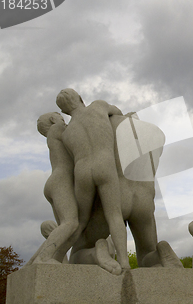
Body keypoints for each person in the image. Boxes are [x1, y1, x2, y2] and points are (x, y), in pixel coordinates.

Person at [68, 113, 182, 273]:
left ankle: (97, 251)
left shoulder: (112, 126)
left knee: (78, 252)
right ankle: (160, 252)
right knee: (146, 255)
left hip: (117, 194)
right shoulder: (155, 134)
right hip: (144, 200)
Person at [56, 88, 130, 273]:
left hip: (82, 171)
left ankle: (58, 255)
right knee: (114, 215)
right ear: (80, 98)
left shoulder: (66, 133)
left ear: (64, 112)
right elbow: (118, 114)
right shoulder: (98, 106)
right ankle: (124, 262)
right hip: (104, 164)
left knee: (79, 222)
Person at [25, 112, 79, 266]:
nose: (64, 119)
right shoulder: (58, 130)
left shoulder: (53, 137)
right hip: (61, 181)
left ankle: (36, 261)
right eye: (60, 117)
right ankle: (44, 258)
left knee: (64, 230)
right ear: (54, 120)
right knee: (71, 223)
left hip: (55, 182)